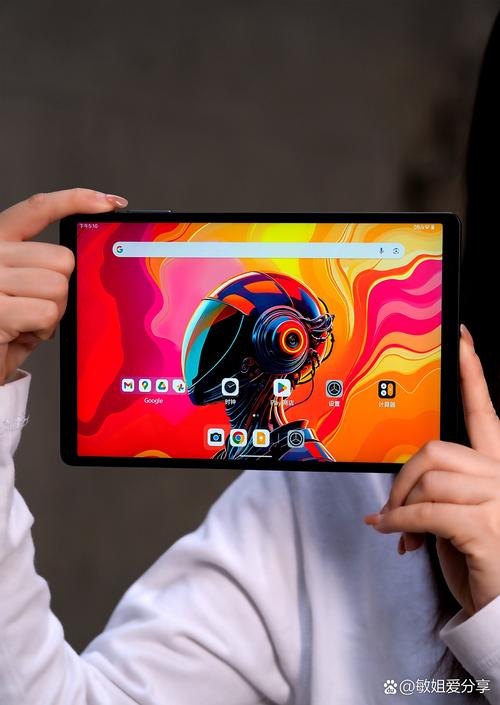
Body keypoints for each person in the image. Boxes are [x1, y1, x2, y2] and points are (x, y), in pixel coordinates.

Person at [1, 188, 500, 705]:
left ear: (280, 342)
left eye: (223, 333)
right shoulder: (319, 493)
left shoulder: (315, 469)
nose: (207, 349)